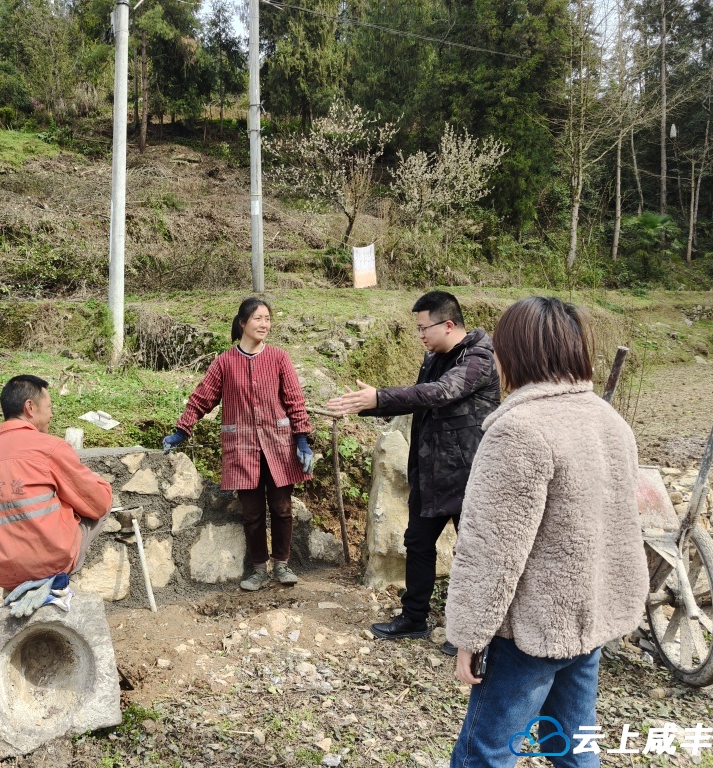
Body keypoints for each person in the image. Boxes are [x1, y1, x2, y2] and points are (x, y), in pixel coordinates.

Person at [445, 297, 647, 768]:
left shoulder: (519, 430)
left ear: (514, 354)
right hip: (588, 618)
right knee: (574, 745)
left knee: (485, 753)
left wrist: (469, 636)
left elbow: (491, 550)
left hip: (532, 629)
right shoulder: (608, 420)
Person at [326, 291, 500, 653]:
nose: (420, 334)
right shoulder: (434, 357)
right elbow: (420, 398)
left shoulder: (479, 358)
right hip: (432, 472)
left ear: (448, 324)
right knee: (418, 544)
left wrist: (380, 397)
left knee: (474, 555)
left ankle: (475, 635)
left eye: (424, 328)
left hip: (470, 476)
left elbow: (438, 393)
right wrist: (367, 404)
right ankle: (414, 618)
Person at [163, 297, 314, 591]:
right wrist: (181, 430)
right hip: (241, 448)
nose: (264, 324)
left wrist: (301, 439)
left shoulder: (279, 358)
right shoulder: (225, 363)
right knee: (252, 513)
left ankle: (281, 565)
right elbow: (201, 398)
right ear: (243, 323)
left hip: (279, 446)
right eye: (258, 318)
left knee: (282, 508)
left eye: (268, 319)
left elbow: (295, 401)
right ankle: (258, 569)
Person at [0, 375, 112, 592]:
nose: (51, 414)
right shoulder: (49, 447)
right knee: (100, 498)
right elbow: (98, 503)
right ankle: (60, 582)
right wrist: (96, 481)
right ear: (30, 407)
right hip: (46, 564)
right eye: (49, 407)